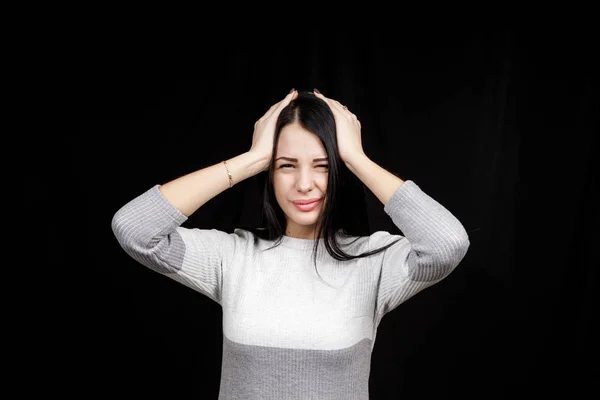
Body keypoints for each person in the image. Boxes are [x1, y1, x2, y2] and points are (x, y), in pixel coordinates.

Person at [111, 88, 470, 399]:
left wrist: (356, 158)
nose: (304, 183)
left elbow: (447, 244)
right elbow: (135, 230)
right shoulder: (234, 258)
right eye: (286, 165)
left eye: (323, 166)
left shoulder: (372, 261)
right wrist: (251, 159)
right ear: (269, 173)